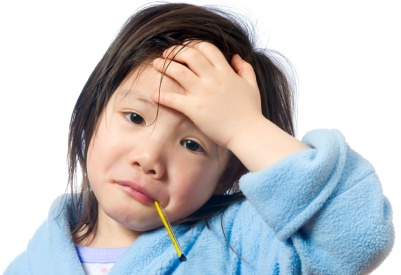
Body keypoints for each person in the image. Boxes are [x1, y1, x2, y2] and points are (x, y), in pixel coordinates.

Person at [5, 2, 394, 274]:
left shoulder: (241, 245)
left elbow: (359, 237)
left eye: (193, 144)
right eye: (135, 116)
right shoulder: (33, 263)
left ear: (229, 174)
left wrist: (245, 127)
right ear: (93, 110)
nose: (149, 158)